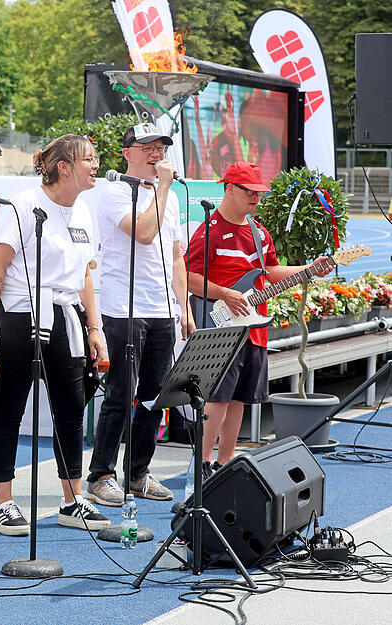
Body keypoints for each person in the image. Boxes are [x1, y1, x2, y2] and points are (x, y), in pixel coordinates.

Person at [0, 134, 110, 536]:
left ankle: (73, 499)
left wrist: (94, 327)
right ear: (64, 167)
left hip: (66, 317)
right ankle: (5, 503)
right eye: (88, 159)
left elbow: (85, 275)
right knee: (10, 407)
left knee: (71, 409)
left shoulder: (84, 211)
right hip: (21, 316)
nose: (95, 165)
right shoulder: (25, 205)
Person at [185, 161, 330, 475]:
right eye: (249, 191)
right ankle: (199, 468)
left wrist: (310, 270)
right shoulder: (209, 229)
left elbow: (271, 272)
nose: (256, 198)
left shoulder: (258, 231)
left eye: (259, 192)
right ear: (229, 188)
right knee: (218, 398)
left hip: (254, 329)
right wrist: (225, 293)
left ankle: (224, 464)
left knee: (239, 398)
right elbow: (188, 277)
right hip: (222, 330)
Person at [86, 123, 194, 507]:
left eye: (161, 147)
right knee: (120, 394)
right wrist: (161, 188)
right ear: (128, 152)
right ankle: (100, 474)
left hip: (163, 308)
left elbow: (177, 256)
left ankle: (138, 473)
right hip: (124, 310)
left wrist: (183, 308)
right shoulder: (115, 192)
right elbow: (144, 233)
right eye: (147, 147)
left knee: (154, 396)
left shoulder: (172, 201)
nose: (156, 154)